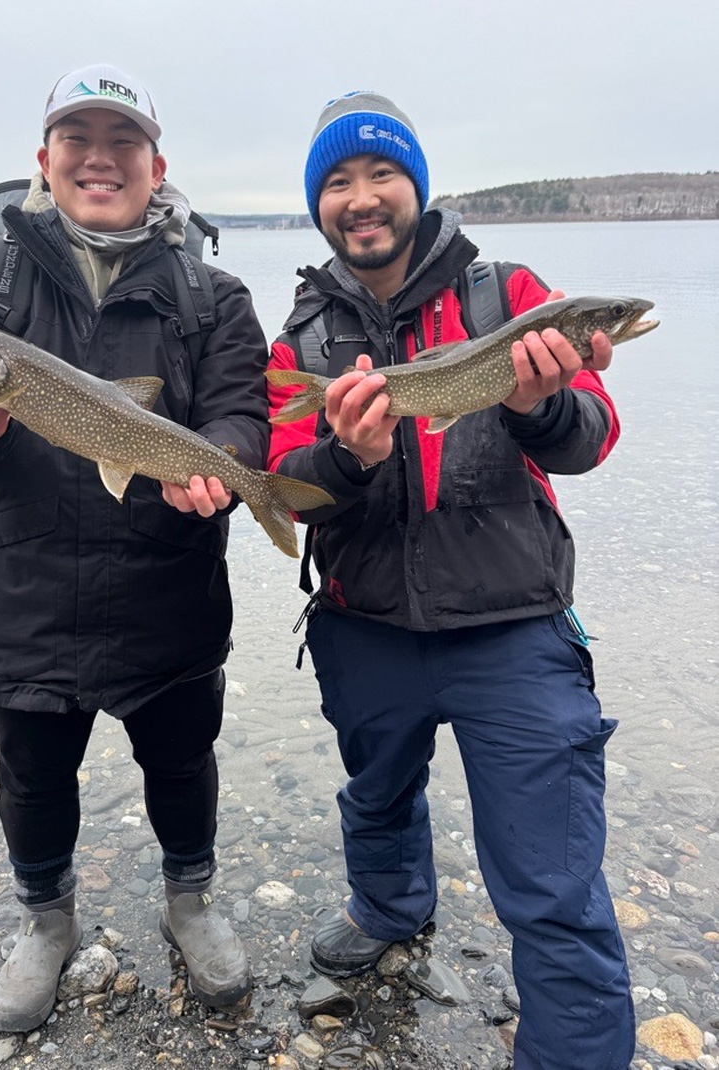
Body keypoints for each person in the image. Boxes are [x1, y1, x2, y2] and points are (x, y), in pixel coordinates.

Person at [0, 63, 265, 1031]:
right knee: (32, 777)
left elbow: (237, 411)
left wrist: (224, 464)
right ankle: (45, 921)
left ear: (156, 163)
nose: (100, 159)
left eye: (122, 142)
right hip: (21, 596)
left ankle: (191, 900)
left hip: (168, 597)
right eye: (78, 140)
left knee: (184, 764)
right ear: (44, 160)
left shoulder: (211, 293)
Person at [266, 92, 635, 1070]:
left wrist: (537, 406)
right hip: (366, 622)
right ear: (320, 205)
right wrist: (345, 457)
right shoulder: (301, 340)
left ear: (416, 187)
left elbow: (593, 434)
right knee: (376, 796)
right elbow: (284, 488)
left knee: (555, 884)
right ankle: (390, 907)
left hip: (513, 625)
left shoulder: (511, 294)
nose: (362, 196)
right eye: (337, 181)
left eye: (380, 173)